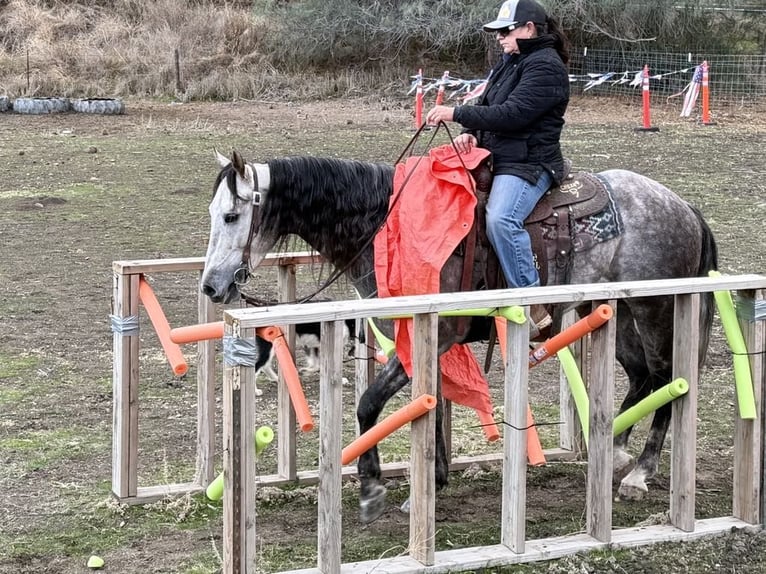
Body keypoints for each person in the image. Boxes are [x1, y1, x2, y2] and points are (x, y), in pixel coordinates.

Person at [425, 0, 570, 336]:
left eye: (506, 31)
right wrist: (470, 136)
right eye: (498, 32)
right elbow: (488, 107)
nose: (500, 38)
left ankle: (531, 302)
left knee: (501, 219)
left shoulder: (546, 67)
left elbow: (513, 115)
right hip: (500, 157)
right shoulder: (510, 62)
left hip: (529, 163)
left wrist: (456, 113)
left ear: (529, 29)